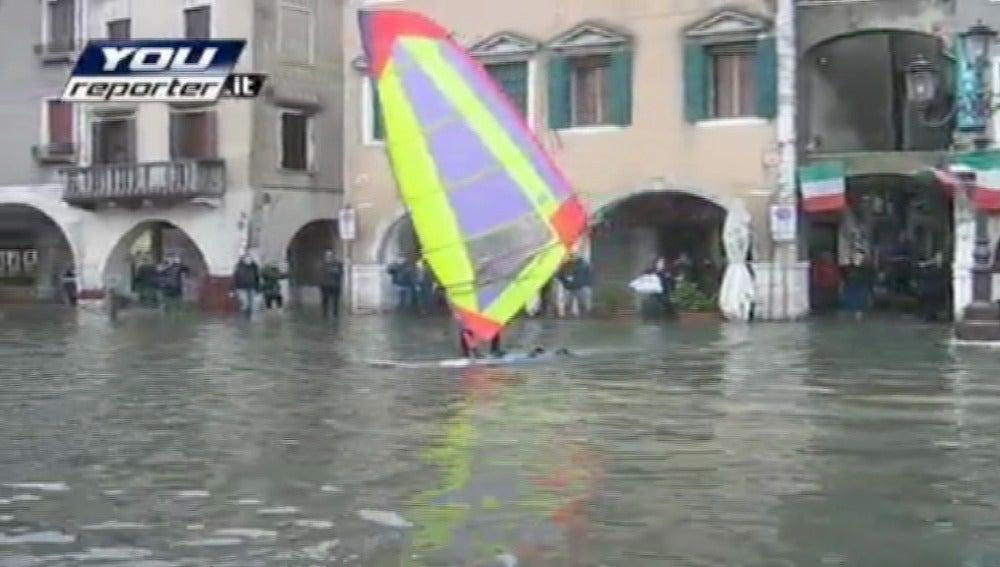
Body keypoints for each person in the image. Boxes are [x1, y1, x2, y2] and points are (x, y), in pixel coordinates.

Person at [319, 250, 344, 319]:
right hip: (325, 285)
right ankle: (325, 314)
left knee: (335, 302)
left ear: (333, 256)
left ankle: (335, 315)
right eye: (327, 255)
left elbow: (340, 273)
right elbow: (320, 274)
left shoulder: (337, 264)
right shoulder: (322, 264)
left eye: (330, 255)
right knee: (325, 301)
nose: (328, 256)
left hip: (335, 286)